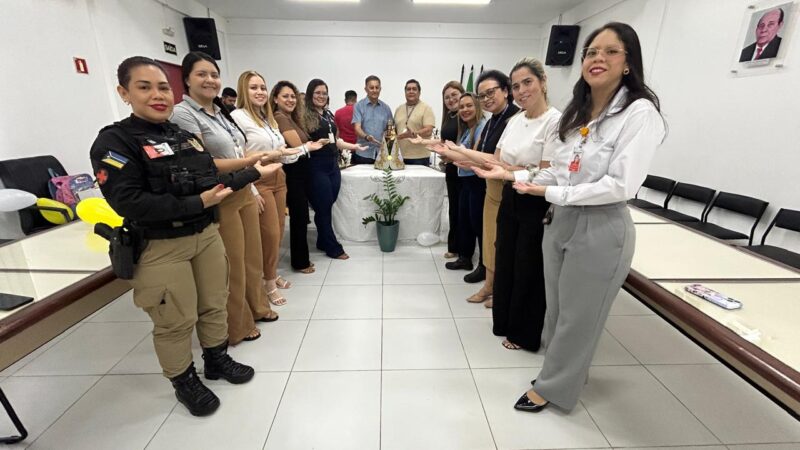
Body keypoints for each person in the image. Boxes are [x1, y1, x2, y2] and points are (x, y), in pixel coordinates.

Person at [90, 56, 280, 416]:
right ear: (124, 92)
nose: (157, 95)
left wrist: (252, 173)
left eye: (163, 87)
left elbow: (210, 178)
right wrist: (198, 201)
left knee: (213, 301)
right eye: (144, 87)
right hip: (161, 246)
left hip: (205, 234)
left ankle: (216, 359)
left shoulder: (183, 137)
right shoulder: (115, 142)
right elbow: (129, 202)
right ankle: (184, 380)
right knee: (175, 319)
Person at [511, 22, 665, 413]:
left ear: (628, 62)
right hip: (560, 219)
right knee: (559, 309)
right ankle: (559, 371)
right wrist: (521, 178)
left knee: (581, 317)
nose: (598, 59)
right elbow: (562, 171)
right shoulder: (579, 110)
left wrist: (549, 192)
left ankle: (555, 388)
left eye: (610, 52)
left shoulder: (639, 112)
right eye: (592, 52)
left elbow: (620, 185)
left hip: (601, 226)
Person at [171, 52, 277, 345]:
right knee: (232, 262)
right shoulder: (183, 114)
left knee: (252, 256)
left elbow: (236, 152)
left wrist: (253, 172)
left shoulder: (220, 112)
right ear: (187, 79)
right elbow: (203, 163)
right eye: (202, 74)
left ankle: (257, 307)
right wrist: (254, 161)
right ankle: (237, 324)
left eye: (214, 75)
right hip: (220, 193)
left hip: (243, 186)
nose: (210, 80)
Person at [472, 58, 561, 351]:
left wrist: (512, 170)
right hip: (510, 195)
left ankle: (524, 333)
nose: (522, 91)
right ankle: (505, 322)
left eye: (528, 83)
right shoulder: (514, 121)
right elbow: (496, 161)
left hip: (535, 202)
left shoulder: (555, 121)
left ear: (543, 82)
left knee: (528, 267)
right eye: (517, 85)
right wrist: (458, 152)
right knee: (506, 260)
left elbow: (547, 173)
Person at [231, 70, 308, 306]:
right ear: (244, 91)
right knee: (269, 234)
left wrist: (305, 150)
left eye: (262, 87)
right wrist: (252, 190)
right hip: (258, 180)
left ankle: (271, 275)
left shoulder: (268, 119)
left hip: (278, 177)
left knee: (277, 230)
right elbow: (238, 155)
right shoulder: (238, 117)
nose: (260, 92)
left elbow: (281, 152)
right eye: (254, 88)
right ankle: (268, 283)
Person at [303, 79, 366, 259]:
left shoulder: (328, 114)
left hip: (332, 164)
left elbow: (335, 140)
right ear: (310, 95)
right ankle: (332, 247)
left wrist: (355, 147)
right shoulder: (304, 115)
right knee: (322, 206)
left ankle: (322, 240)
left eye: (324, 93)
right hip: (316, 166)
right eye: (317, 93)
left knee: (328, 204)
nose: (321, 96)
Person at [271, 80, 327, 273]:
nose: (290, 99)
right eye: (285, 96)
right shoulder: (280, 117)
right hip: (293, 174)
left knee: (301, 217)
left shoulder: (292, 118)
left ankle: (301, 258)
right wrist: (311, 145)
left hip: (301, 172)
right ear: (275, 99)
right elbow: (296, 146)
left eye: (293, 96)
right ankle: (300, 261)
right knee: (299, 217)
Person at [429, 93, 486, 277]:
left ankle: (484, 267)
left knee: (478, 224)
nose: (465, 110)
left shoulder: (481, 127)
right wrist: (447, 154)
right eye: (462, 107)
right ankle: (465, 258)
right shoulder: (467, 129)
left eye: (469, 106)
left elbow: (475, 157)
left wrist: (451, 152)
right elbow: (462, 156)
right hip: (465, 180)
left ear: (478, 106)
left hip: (477, 181)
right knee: (465, 220)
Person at [441, 81, 465, 259]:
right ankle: (454, 246)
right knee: (454, 208)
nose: (450, 99)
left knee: (462, 210)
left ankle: (464, 250)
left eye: (454, 95)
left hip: (464, 168)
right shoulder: (448, 116)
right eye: (447, 97)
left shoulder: (464, 116)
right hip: (451, 168)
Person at [352, 75, 393, 164]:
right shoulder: (359, 106)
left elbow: (390, 130)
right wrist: (367, 137)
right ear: (366, 89)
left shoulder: (386, 108)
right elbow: (357, 128)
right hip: (363, 153)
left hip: (382, 154)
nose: (374, 90)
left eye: (377, 88)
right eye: (371, 88)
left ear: (380, 89)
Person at [394, 79, 435, 166]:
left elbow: (429, 130)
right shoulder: (398, 109)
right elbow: (395, 131)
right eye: (408, 89)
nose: (411, 91)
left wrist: (413, 134)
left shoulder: (426, 108)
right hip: (400, 156)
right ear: (405, 92)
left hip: (420, 157)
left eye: (414, 89)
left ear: (419, 92)